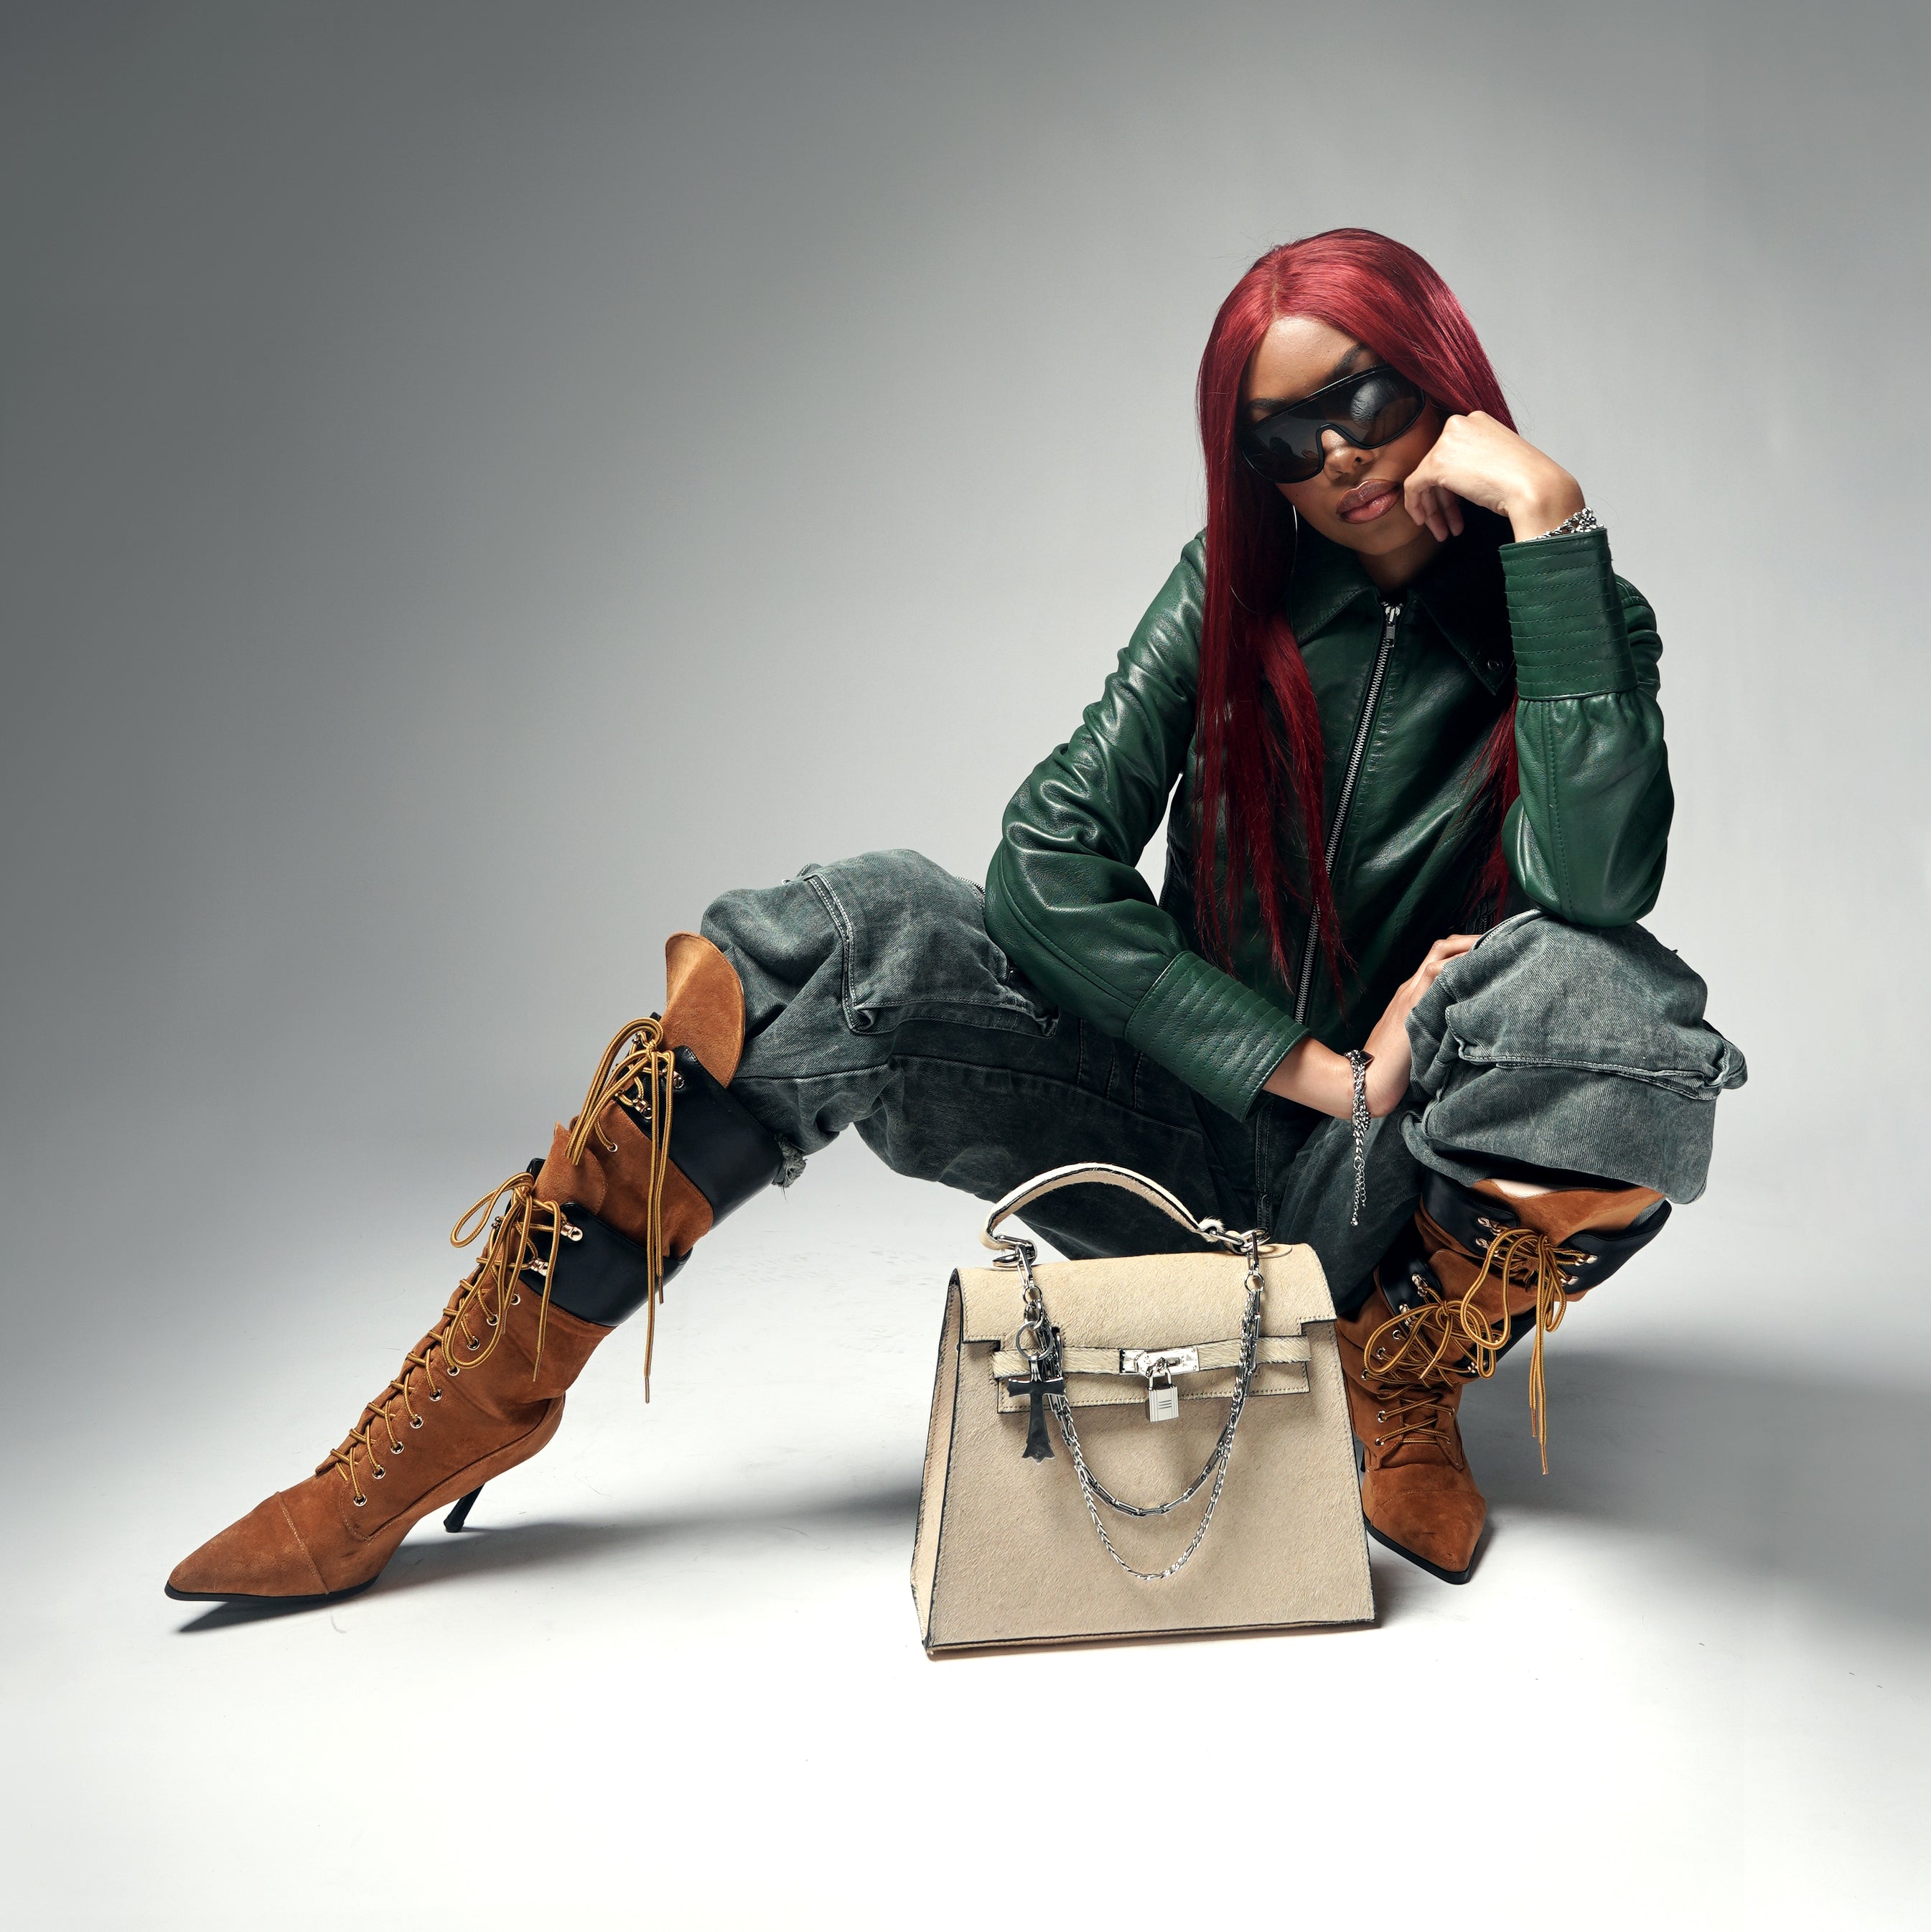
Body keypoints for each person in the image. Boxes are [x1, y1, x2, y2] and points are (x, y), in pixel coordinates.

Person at [165, 228, 1744, 1605]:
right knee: (842, 936)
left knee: (1611, 1004)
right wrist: (1316, 1068)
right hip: (1179, 1143)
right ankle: (461, 1414)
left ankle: (1389, 1371)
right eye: (1281, 433)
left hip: (1388, 1193)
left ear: (1440, 378)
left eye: (1366, 398)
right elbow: (1044, 861)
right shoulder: (1230, 590)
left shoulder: (1574, 616)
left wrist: (1548, 527)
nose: (1335, 453)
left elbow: (1594, 890)